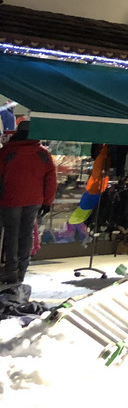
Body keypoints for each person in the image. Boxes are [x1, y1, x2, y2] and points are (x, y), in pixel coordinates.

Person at [0, 119, 58, 288]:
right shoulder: (43, 154)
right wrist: (47, 202)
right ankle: (21, 271)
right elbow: (51, 180)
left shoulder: (6, 152)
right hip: (34, 200)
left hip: (10, 200)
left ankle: (10, 272)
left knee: (11, 234)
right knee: (26, 234)